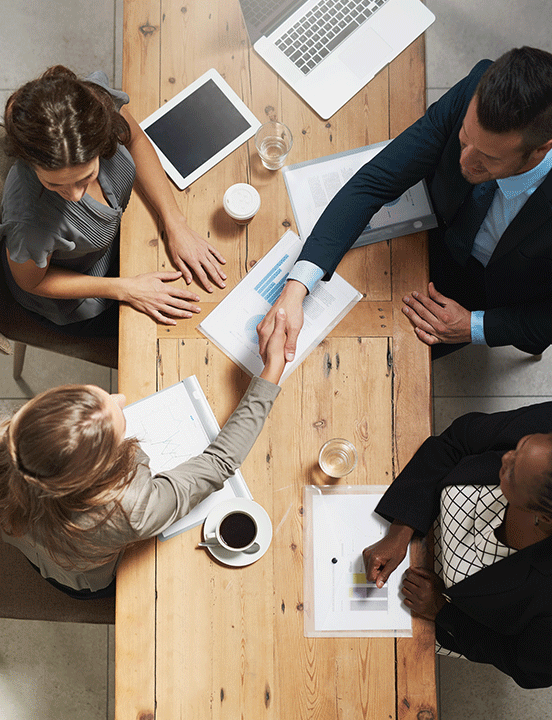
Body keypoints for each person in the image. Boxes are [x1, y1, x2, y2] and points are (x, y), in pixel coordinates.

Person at [257, 46, 552, 360]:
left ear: (540, 151)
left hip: (499, 294)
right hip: (434, 231)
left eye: (488, 158)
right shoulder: (476, 85)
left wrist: (474, 326)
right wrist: (296, 287)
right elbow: (376, 180)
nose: (465, 161)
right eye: (465, 138)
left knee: (385, 359)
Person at [0, 309, 288, 599]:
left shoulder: (8, 435)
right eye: (118, 430)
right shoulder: (131, 509)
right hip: (81, 579)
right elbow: (219, 461)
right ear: (100, 470)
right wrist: (273, 368)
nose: (121, 398)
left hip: (34, 547)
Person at [1, 65, 227, 336]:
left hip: (115, 244)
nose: (74, 195)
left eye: (85, 176)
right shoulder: (28, 221)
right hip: (78, 294)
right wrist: (124, 288)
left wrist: (175, 222)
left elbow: (136, 140)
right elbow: (32, 282)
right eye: (53, 183)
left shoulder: (93, 106)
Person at [363, 401, 552, 689]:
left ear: (545, 517)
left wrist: (441, 611)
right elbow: (458, 439)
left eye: (513, 473)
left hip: (448, 618)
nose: (506, 457)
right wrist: (401, 529)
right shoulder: (542, 437)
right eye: (521, 444)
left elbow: (527, 667)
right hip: (419, 505)